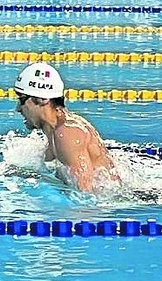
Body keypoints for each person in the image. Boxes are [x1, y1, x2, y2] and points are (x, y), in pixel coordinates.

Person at [14, 62, 121, 192]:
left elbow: (87, 195)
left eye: (22, 100)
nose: (18, 108)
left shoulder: (67, 134)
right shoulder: (54, 132)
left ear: (43, 99)